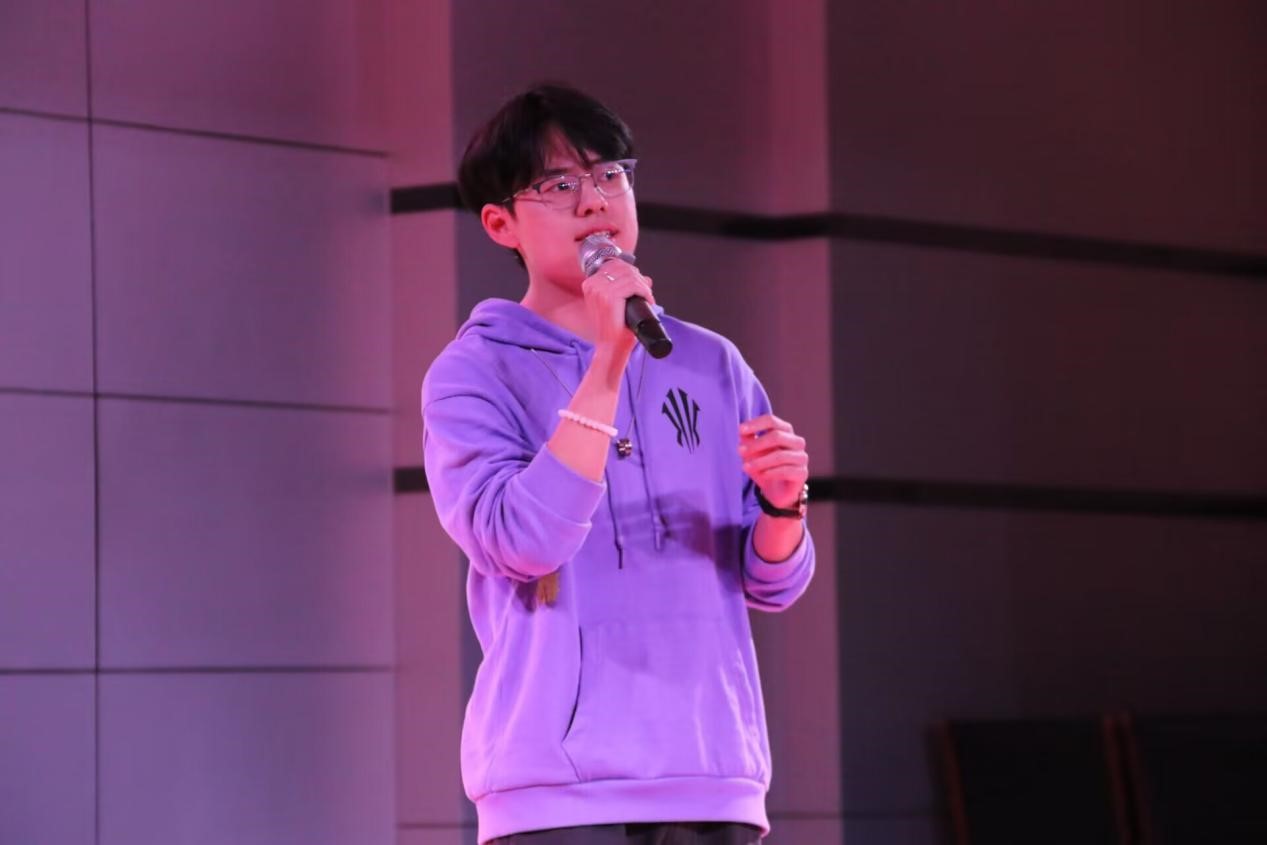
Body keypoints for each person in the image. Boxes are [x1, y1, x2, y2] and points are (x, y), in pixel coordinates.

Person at [421, 83, 816, 845]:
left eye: (609, 174)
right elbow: (521, 542)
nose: (593, 200)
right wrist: (608, 360)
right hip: (557, 789)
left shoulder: (710, 362)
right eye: (557, 184)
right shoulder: (473, 372)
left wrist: (780, 504)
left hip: (711, 773)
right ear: (500, 223)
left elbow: (772, 582)